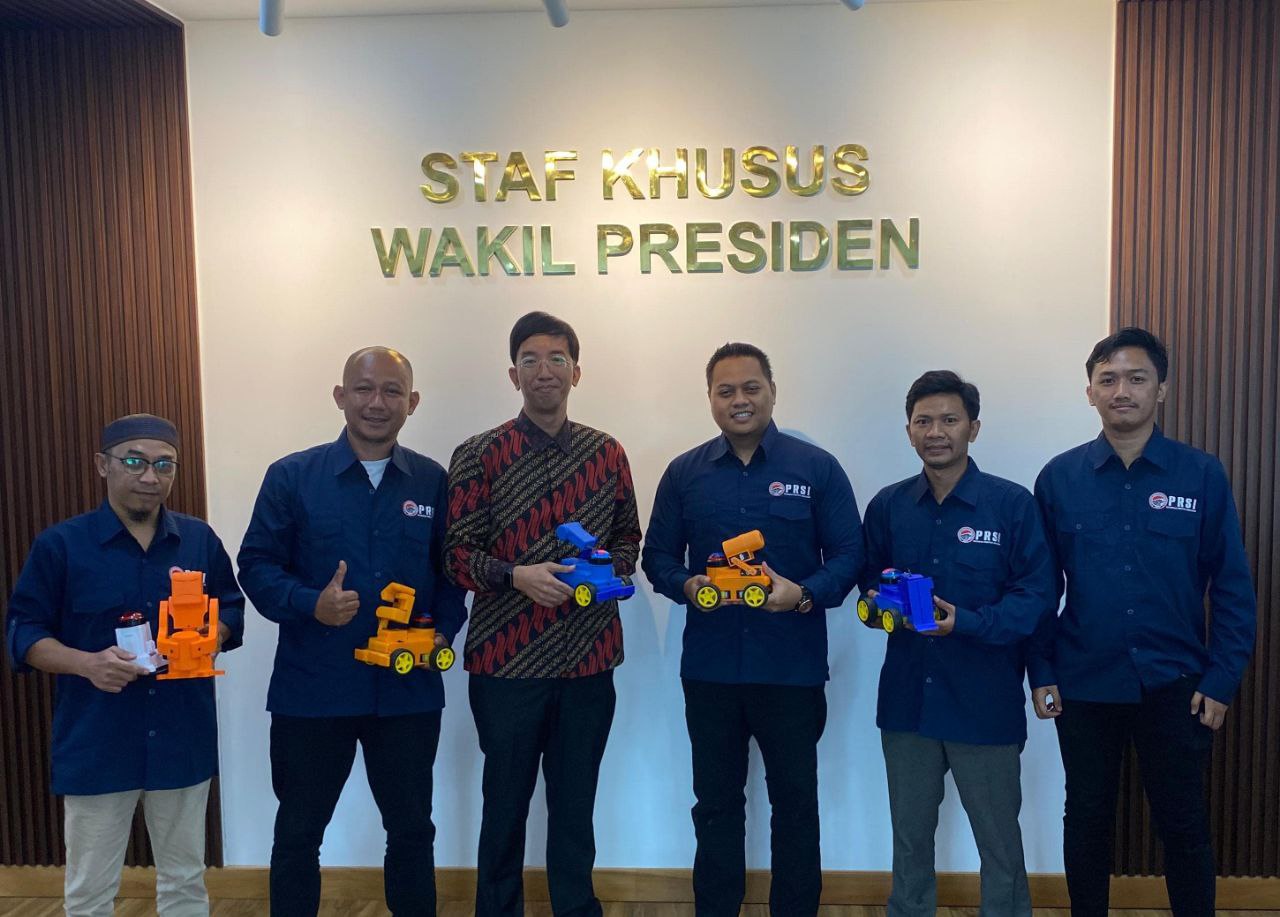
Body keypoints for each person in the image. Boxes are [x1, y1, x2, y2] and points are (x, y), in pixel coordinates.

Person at [1030, 327, 1257, 916]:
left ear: (1162, 389)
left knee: (1183, 822)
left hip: (1178, 683)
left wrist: (1221, 679)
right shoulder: (1058, 478)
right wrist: (1041, 671)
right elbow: (1039, 590)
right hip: (1083, 681)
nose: (1121, 391)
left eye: (1136, 378)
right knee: (1086, 818)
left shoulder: (1200, 474)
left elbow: (1232, 586)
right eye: (1108, 379)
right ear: (1090, 392)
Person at [237, 347, 466, 917]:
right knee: (298, 833)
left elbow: (451, 574)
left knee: (412, 831)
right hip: (313, 691)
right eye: (364, 389)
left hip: (406, 693)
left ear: (412, 402)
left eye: (392, 391)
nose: (377, 402)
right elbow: (257, 565)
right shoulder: (292, 476)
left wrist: (442, 633)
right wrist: (311, 604)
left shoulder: (433, 482)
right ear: (340, 396)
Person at [641, 342, 862, 917]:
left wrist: (803, 594)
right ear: (710, 399)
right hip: (711, 671)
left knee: (796, 805)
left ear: (772, 391)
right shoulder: (685, 473)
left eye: (750, 387)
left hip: (791, 670)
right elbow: (657, 555)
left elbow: (849, 555)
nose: (739, 399)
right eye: (726, 390)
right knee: (715, 805)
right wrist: (687, 584)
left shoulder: (816, 468)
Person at [6, 413, 244, 916]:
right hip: (97, 741)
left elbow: (231, 607)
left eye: (164, 464)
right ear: (103, 465)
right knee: (90, 890)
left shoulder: (198, 541)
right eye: (134, 462)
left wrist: (212, 637)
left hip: (182, 736)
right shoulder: (61, 545)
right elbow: (23, 633)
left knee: (185, 881)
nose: (150, 477)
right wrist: (86, 663)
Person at [443, 311, 641, 917]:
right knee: (503, 804)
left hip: (589, 662)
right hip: (506, 663)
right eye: (530, 359)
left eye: (557, 358)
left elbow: (629, 538)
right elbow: (456, 556)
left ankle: (576, 908)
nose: (544, 370)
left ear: (576, 372)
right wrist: (516, 576)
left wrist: (604, 575)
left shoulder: (607, 453)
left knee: (576, 806)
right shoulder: (479, 455)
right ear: (514, 375)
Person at [859, 370, 1054, 917]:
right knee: (909, 840)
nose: (936, 432)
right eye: (923, 421)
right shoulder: (888, 506)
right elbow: (869, 584)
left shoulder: (1011, 506)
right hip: (908, 704)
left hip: (984, 703)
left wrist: (965, 621)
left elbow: (1036, 597)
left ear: (974, 427)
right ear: (908, 431)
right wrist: (881, 608)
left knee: (999, 843)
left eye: (949, 419)